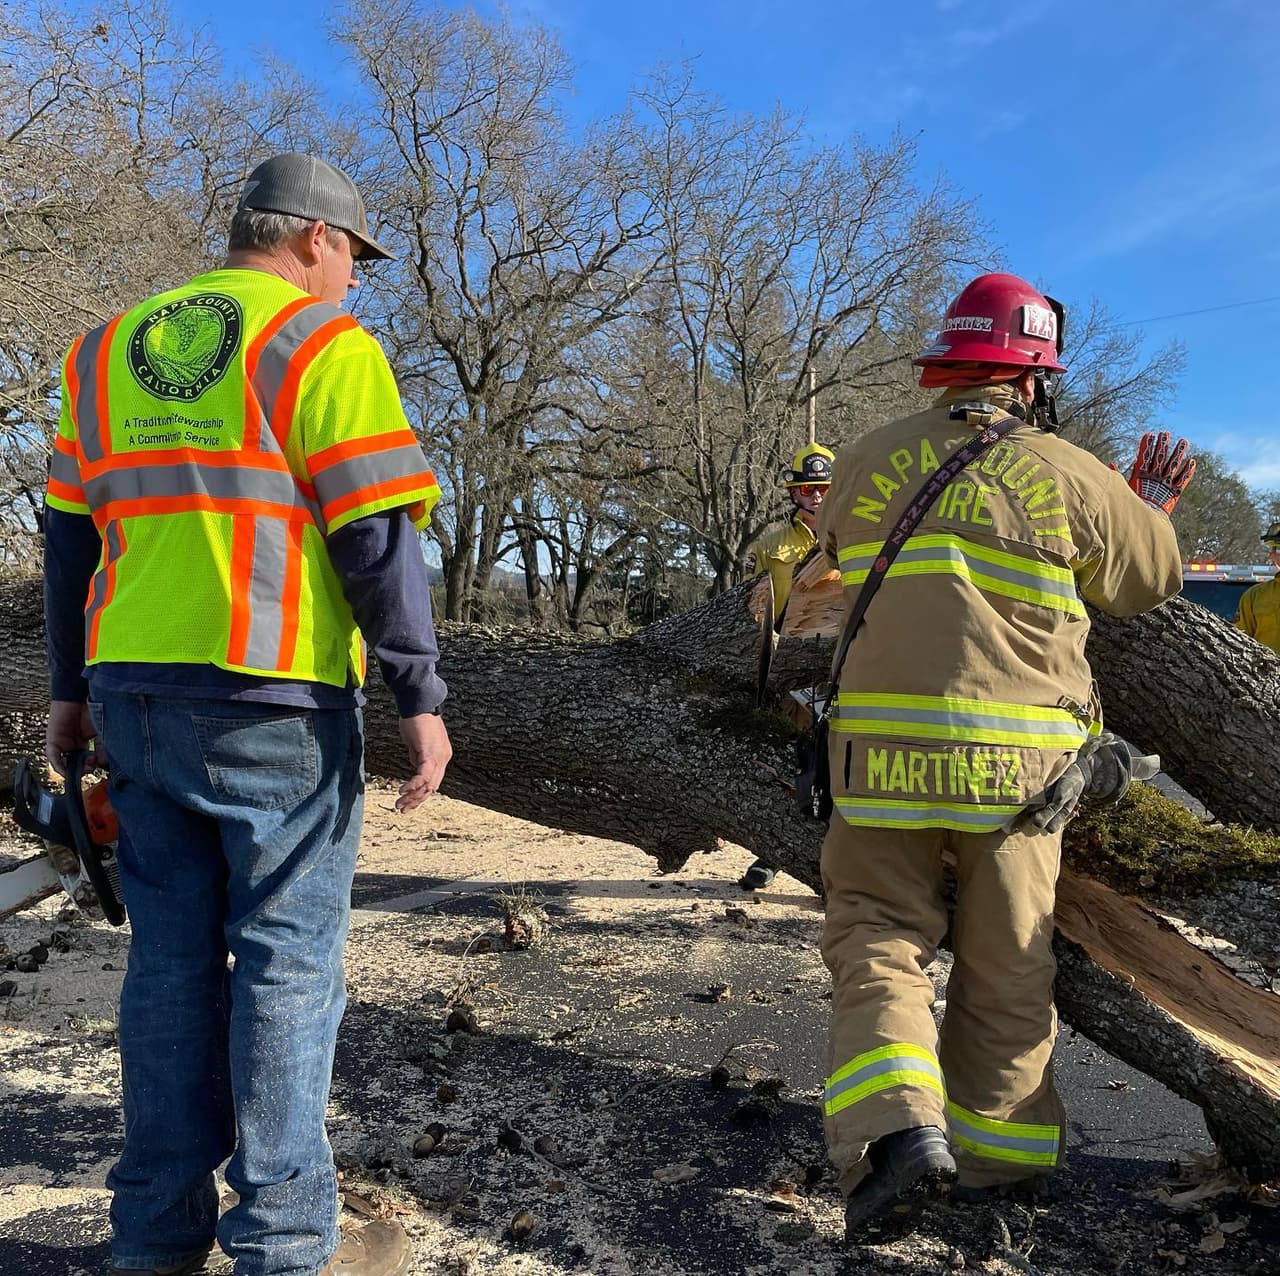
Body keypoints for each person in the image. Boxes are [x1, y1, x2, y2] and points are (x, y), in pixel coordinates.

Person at [42, 154, 450, 1276]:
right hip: (275, 699)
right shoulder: (324, 345)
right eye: (354, 259)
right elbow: (374, 535)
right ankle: (281, 1242)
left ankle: (153, 1237)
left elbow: (70, 543)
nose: (354, 280)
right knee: (286, 966)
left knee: (169, 967)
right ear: (317, 239)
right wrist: (418, 694)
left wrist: (68, 694)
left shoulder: (101, 352)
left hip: (133, 692)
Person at [813, 272, 1194, 1236]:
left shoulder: (860, 460)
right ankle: (1001, 1167)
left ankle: (899, 1133)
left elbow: (832, 559)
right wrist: (1145, 504)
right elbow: (1149, 581)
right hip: (1022, 776)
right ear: (1033, 377)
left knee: (876, 940)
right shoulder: (1069, 471)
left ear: (947, 363)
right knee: (1007, 966)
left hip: (879, 760)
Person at [739, 442, 834, 890]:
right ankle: (774, 852)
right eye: (807, 488)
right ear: (793, 493)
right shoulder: (770, 546)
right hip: (790, 666)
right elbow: (748, 607)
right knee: (790, 756)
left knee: (842, 760)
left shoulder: (860, 539)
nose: (815, 496)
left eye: (824, 488)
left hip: (844, 665)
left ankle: (837, 862)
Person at [1234, 521, 1280, 653]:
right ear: (1272, 555)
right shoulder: (1254, 596)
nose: (1273, 553)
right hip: (1265, 666)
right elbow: (1240, 643)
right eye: (1277, 549)